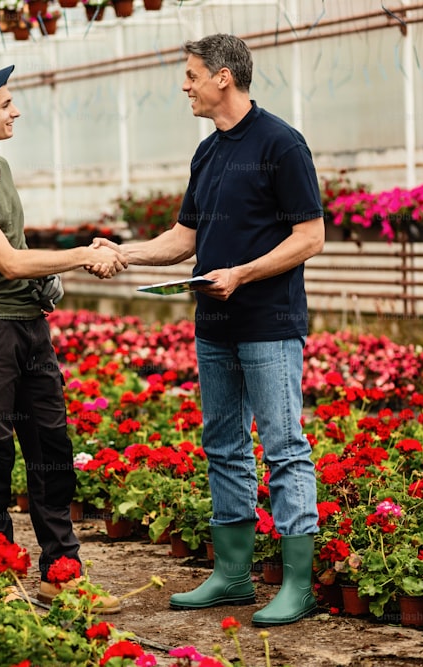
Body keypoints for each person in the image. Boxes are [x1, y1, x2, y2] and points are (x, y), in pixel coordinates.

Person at [94, 33, 325, 626]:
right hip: (214, 324)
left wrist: (244, 274)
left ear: (224, 76)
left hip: (268, 324)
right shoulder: (209, 152)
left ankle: (297, 584)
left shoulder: (281, 144)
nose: (185, 85)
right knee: (222, 445)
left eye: (192, 74)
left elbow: (310, 237)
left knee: (284, 448)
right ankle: (231, 576)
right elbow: (186, 240)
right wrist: (127, 255)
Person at [0, 63, 127, 613]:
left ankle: (62, 574)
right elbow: (9, 260)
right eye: (7, 104)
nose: (15, 111)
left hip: (29, 329)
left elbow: (20, 254)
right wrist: (85, 255)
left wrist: (51, 280)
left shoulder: (0, 167)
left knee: (51, 451)